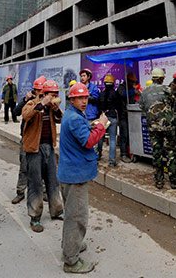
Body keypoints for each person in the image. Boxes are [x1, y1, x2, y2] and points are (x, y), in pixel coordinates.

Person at [58, 82, 108, 274]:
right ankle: (71, 260)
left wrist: (93, 125)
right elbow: (88, 142)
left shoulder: (73, 115)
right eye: (80, 98)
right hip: (75, 175)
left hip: (69, 172)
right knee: (77, 217)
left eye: (86, 97)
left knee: (72, 214)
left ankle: (71, 245)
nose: (84, 101)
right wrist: (101, 126)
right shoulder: (75, 119)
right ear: (72, 99)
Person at [22, 79, 63, 232]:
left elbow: (60, 118)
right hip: (34, 149)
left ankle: (57, 210)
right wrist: (42, 104)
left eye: (56, 94)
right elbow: (26, 115)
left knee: (53, 181)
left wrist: (56, 108)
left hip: (49, 147)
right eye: (52, 94)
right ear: (44, 94)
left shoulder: (52, 108)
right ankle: (35, 217)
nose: (54, 97)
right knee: (35, 183)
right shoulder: (32, 104)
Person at [139, 67, 176, 190]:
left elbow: (142, 106)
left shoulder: (145, 91)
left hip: (153, 128)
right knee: (171, 153)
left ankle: (159, 181)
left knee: (156, 154)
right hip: (167, 127)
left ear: (153, 78)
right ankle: (174, 181)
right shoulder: (167, 89)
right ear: (162, 78)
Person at [11, 75, 47, 204]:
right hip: (27, 138)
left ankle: (43, 191)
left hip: (41, 140)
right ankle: (20, 192)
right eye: (39, 90)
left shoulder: (48, 103)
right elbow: (16, 112)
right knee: (24, 166)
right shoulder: (29, 102)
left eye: (43, 91)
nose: (42, 93)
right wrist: (24, 99)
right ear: (34, 91)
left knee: (42, 167)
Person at [117, 72, 140, 163]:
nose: (132, 83)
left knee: (132, 135)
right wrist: (133, 91)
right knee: (124, 135)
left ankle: (132, 152)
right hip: (123, 115)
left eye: (134, 81)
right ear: (127, 80)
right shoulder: (121, 87)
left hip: (132, 115)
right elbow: (122, 94)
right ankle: (123, 154)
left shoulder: (132, 87)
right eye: (131, 81)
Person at [97, 74, 118, 166]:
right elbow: (118, 106)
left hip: (103, 117)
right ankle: (112, 161)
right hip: (112, 117)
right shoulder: (115, 94)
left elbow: (98, 106)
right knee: (112, 139)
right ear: (113, 84)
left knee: (100, 137)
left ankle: (98, 154)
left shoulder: (101, 94)